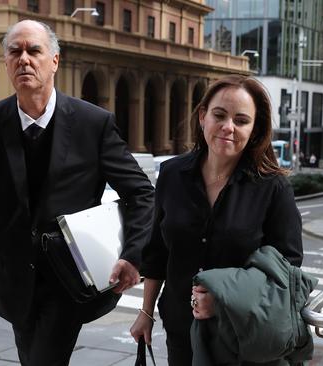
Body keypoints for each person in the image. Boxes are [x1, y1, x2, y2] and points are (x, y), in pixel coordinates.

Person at [0, 20, 154, 365]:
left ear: (54, 60)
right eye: (15, 51)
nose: (24, 59)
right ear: (7, 62)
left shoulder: (92, 124)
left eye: (34, 50)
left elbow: (142, 194)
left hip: (72, 281)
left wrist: (132, 254)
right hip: (14, 284)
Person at [129, 75, 304, 365]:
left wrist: (224, 298)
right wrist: (145, 313)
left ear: (255, 129)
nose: (228, 127)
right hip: (180, 328)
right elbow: (157, 252)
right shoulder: (172, 175)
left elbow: (288, 266)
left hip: (241, 334)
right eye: (219, 115)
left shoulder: (273, 187)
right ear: (202, 117)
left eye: (241, 120)